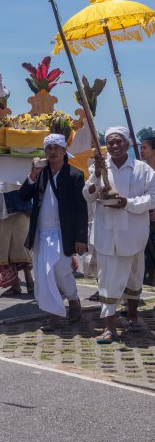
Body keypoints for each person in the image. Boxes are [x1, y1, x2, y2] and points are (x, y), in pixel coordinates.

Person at [83, 126, 155, 344]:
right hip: (106, 234)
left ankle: (133, 317)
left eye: (118, 141)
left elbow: (152, 198)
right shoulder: (100, 167)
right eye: (110, 142)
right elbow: (87, 196)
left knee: (134, 279)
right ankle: (109, 326)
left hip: (134, 235)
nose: (114, 145)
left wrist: (127, 203)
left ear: (127, 143)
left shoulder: (142, 169)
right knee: (107, 281)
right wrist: (96, 176)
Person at [19, 133, 88, 332]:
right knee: (43, 275)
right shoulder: (40, 174)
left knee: (61, 271)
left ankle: (73, 299)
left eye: (55, 147)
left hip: (62, 233)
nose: (51, 151)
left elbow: (80, 209)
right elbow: (24, 195)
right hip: (41, 233)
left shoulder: (74, 174)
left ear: (64, 151)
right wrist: (31, 175)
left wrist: (80, 238)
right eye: (48, 148)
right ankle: (55, 315)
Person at [0, 182, 34, 296]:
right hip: (1, 211)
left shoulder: (15, 165)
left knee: (21, 246)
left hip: (20, 207)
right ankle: (15, 285)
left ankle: (29, 280)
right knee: (4, 248)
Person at [140, 137, 155, 286]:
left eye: (145, 148)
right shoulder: (141, 171)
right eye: (141, 148)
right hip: (145, 222)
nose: (141, 151)